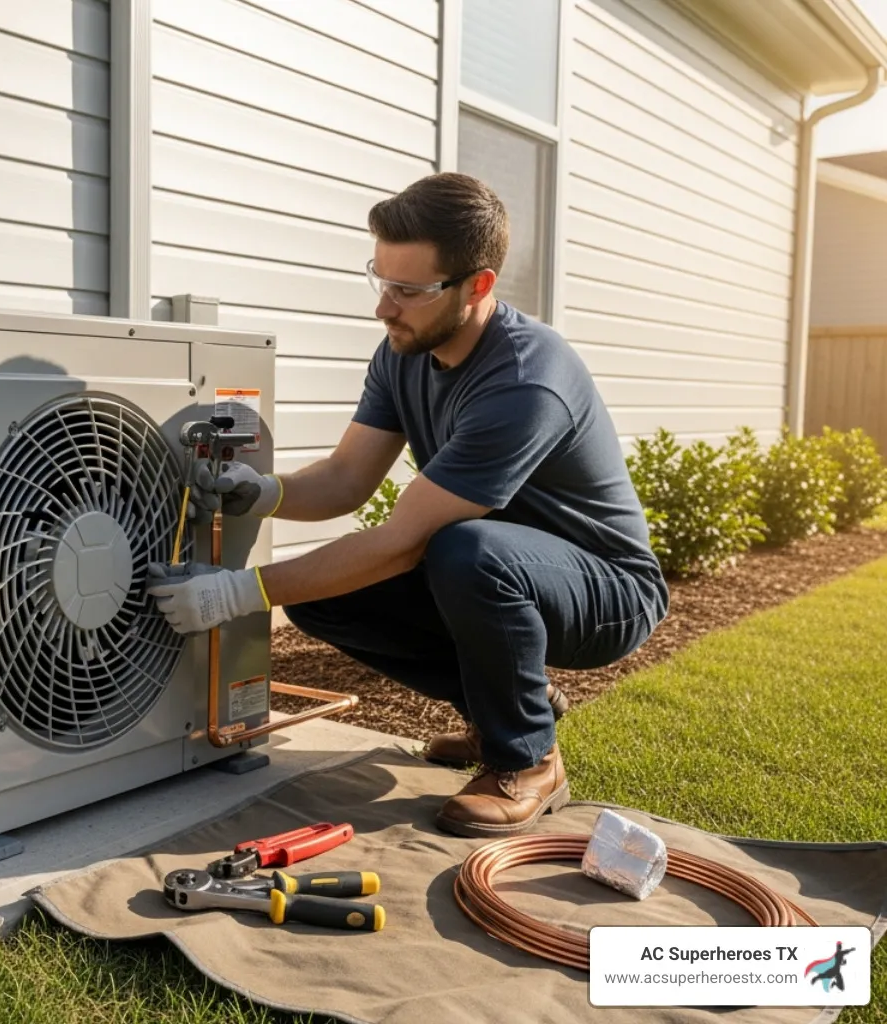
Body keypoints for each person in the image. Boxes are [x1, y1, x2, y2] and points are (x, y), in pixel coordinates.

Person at [147, 171, 669, 839]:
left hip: (608, 589)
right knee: (321, 598)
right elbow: (346, 478)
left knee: (463, 551)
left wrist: (232, 596)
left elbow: (403, 543)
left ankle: (528, 759)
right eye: (381, 280)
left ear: (477, 286)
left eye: (410, 291)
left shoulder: (525, 381)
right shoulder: (403, 351)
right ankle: (503, 709)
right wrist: (266, 492)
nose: (384, 308)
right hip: (498, 565)